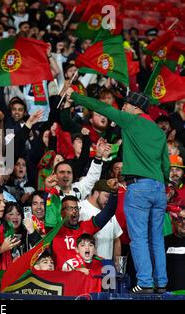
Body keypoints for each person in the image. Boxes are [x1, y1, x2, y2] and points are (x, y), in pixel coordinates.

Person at [67, 88, 170, 294]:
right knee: (156, 238)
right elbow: (166, 165)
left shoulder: (131, 120)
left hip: (139, 187)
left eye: (125, 105)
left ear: (135, 107)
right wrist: (163, 186)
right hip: (159, 188)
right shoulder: (159, 131)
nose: (122, 108)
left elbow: (101, 107)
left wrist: (75, 96)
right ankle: (161, 282)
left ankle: (146, 283)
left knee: (139, 237)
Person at [51, 183, 118, 272]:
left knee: (108, 267)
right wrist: (49, 190)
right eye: (70, 209)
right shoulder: (55, 232)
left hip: (85, 278)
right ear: (62, 213)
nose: (75, 212)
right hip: (63, 280)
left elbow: (107, 214)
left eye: (76, 208)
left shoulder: (86, 227)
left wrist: (113, 194)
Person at [79, 180, 123, 260]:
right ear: (96, 193)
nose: (108, 200)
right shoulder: (81, 209)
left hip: (107, 266)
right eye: (107, 196)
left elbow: (116, 240)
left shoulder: (109, 212)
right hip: (88, 266)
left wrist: (117, 265)